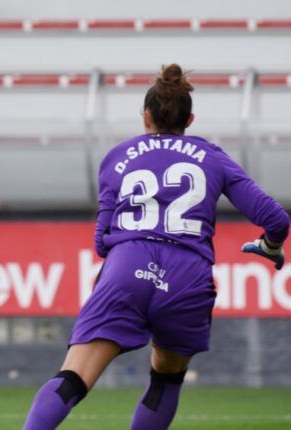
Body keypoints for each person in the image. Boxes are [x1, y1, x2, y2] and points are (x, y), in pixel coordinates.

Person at [23, 64, 289, 430]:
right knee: (166, 378)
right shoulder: (213, 158)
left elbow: (101, 243)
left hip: (128, 266)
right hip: (187, 275)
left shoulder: (117, 158)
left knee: (74, 376)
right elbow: (277, 220)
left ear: (145, 117)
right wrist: (270, 245)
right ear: (189, 119)